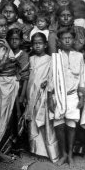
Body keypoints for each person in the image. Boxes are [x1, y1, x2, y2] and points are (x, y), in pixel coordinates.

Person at [51, 28, 84, 166]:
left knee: (71, 124)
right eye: (64, 38)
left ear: (74, 40)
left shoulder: (79, 56)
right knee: (59, 124)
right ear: (59, 41)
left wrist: (81, 97)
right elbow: (51, 78)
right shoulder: (56, 57)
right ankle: (63, 154)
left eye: (70, 38)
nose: (67, 40)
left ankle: (70, 154)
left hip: (72, 96)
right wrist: (49, 99)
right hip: (58, 95)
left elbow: (81, 78)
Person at [25, 32, 59, 162]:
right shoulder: (31, 59)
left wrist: (47, 84)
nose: (37, 46)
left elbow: (52, 77)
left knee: (45, 123)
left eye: (40, 43)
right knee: (32, 122)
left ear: (45, 45)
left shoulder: (50, 59)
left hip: (44, 95)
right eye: (34, 43)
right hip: (31, 94)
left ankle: (50, 151)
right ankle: (36, 150)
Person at [0, 14, 20, 154]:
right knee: (1, 116)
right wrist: (7, 52)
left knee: (9, 115)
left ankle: (3, 148)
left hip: (10, 81)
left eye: (5, 25)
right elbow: (0, 66)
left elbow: (13, 62)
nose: (3, 28)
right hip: (2, 83)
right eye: (0, 26)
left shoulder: (3, 41)